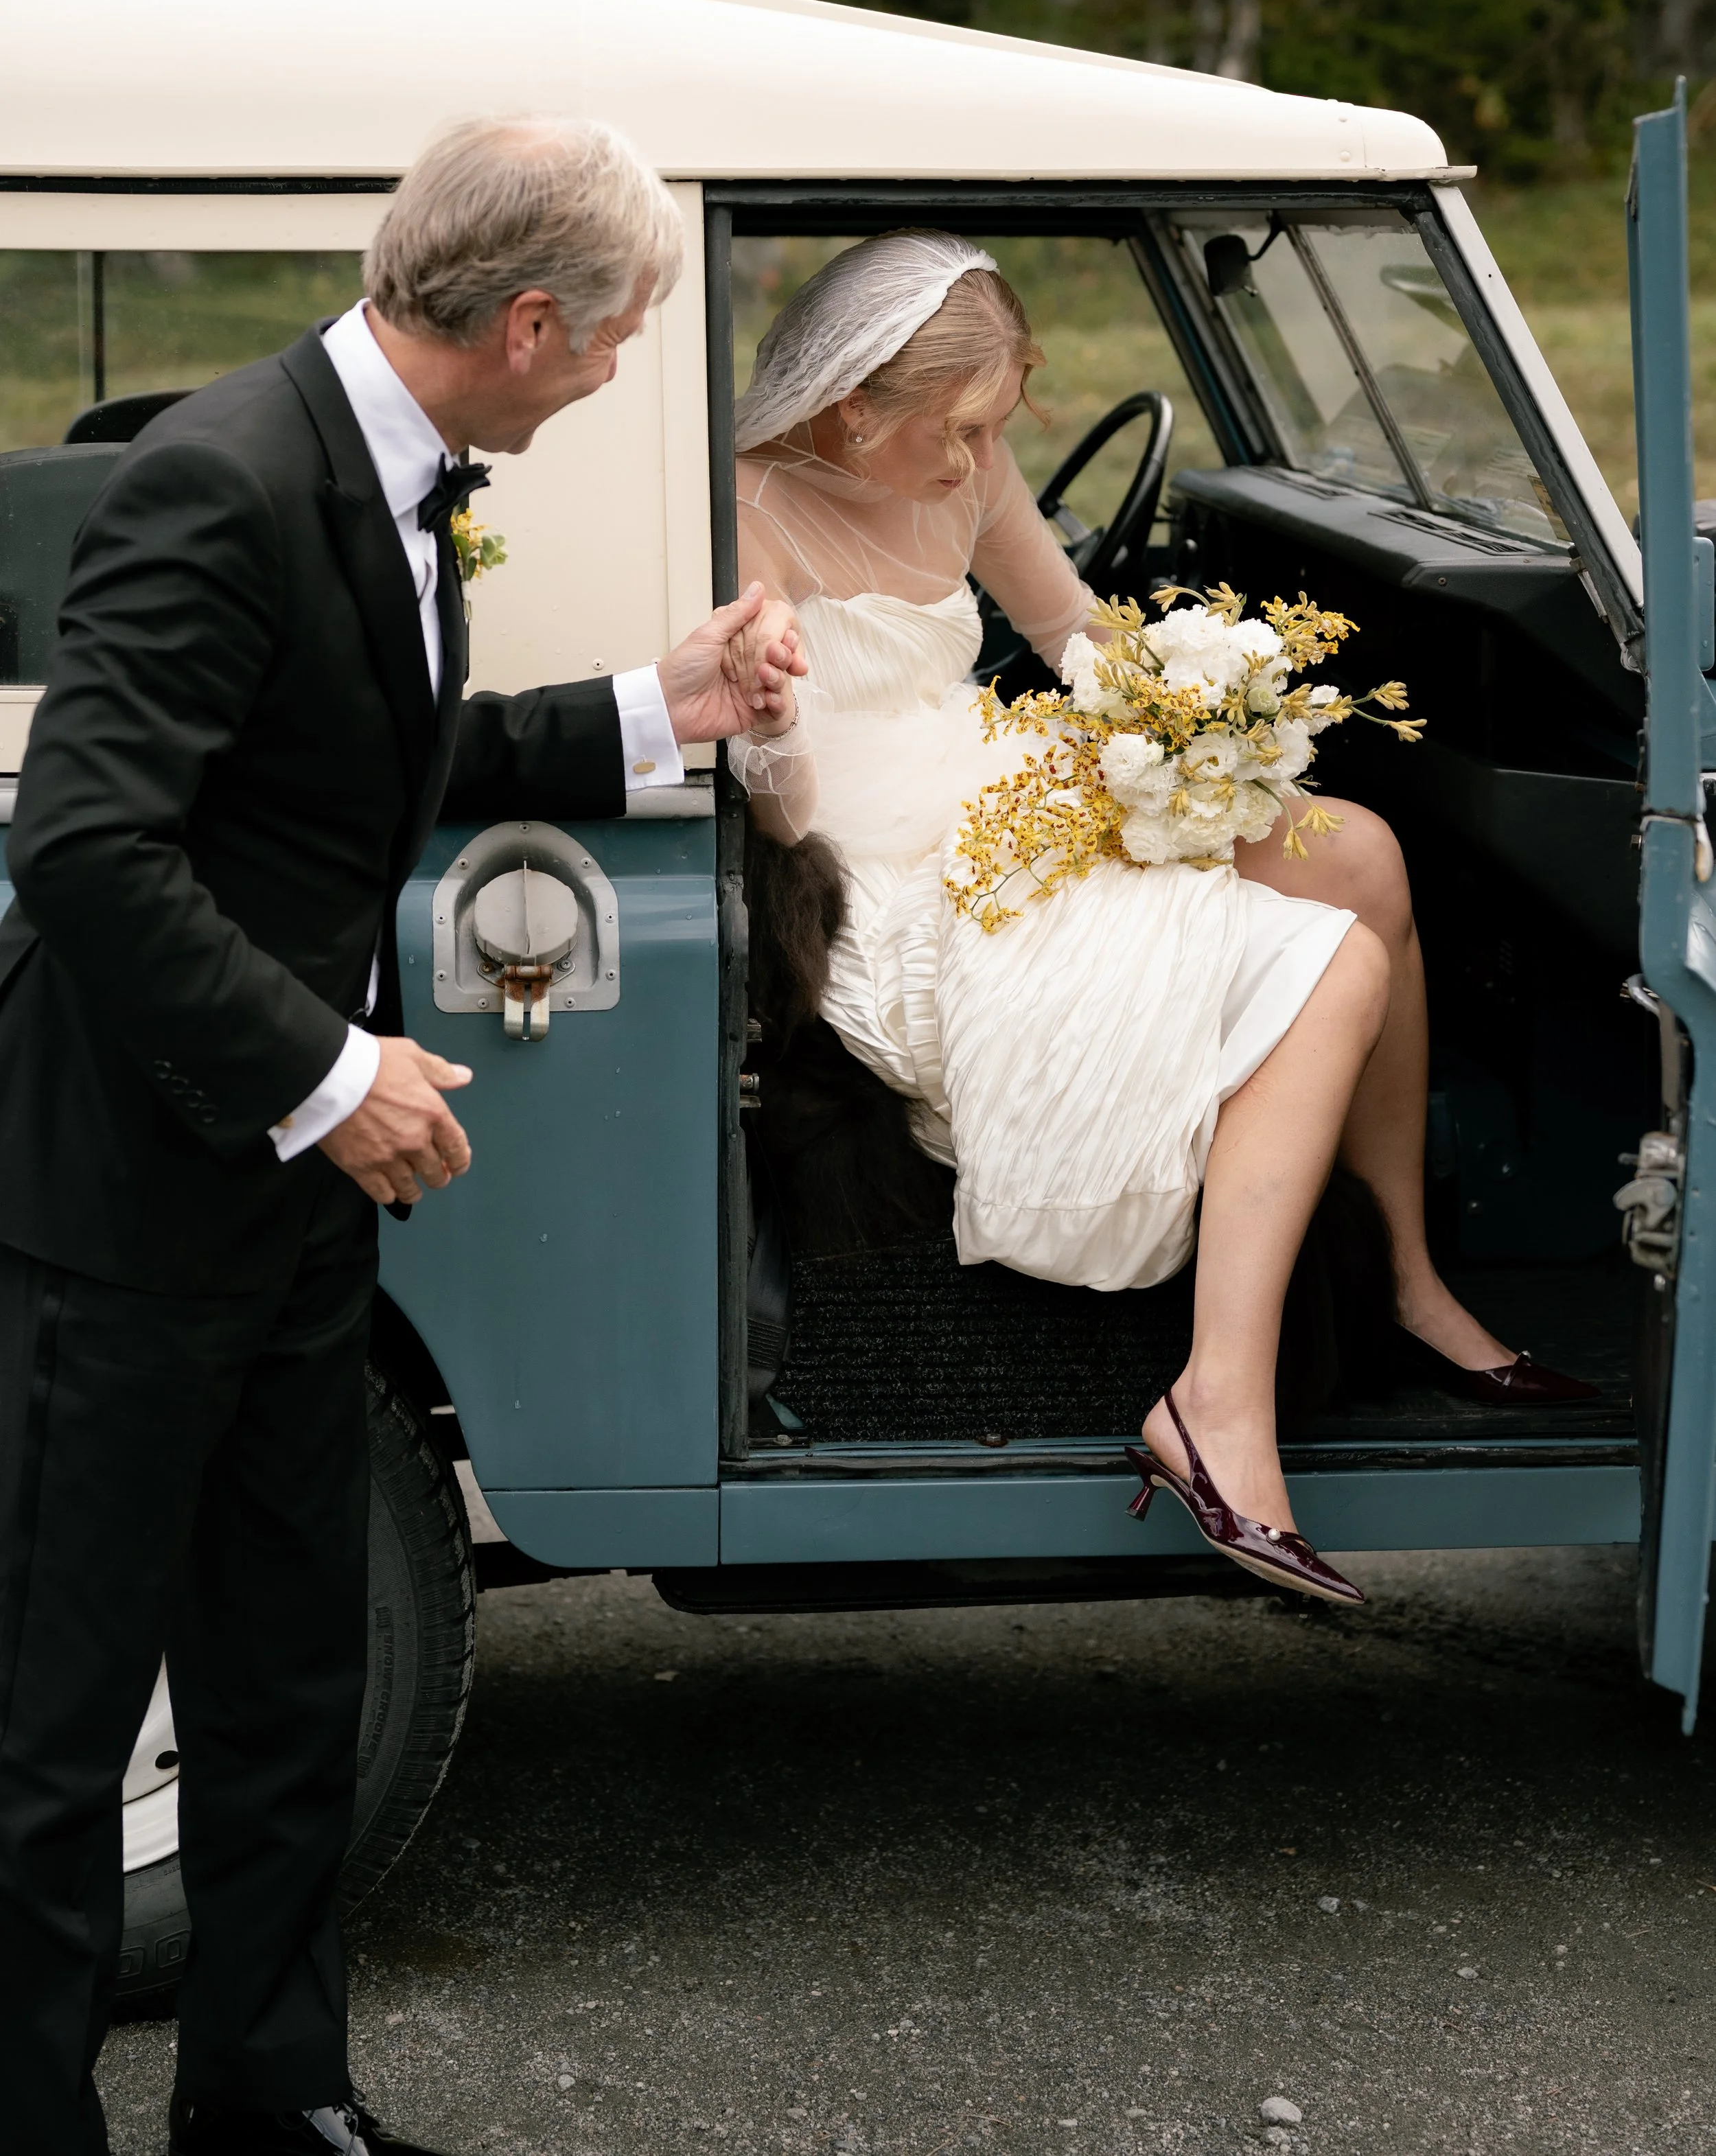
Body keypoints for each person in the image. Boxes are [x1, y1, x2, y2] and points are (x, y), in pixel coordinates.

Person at [0, 116, 804, 2156]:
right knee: (49, 1726)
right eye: (618, 334)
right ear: (527, 321)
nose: (624, 366)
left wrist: (657, 705)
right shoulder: (223, 473)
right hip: (114, 1207)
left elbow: (371, 745)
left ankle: (274, 2102)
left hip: (284, 1210)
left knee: (288, 1689)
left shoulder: (388, 462)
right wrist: (326, 1068)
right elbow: (85, 843)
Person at [727, 231, 1595, 1606]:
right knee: (1328, 961)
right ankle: (1217, 1397)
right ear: (849, 411)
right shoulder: (741, 512)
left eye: (994, 428)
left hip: (1005, 772)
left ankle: (1409, 1278)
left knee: (1358, 859)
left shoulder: (968, 467)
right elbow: (776, 813)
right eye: (953, 433)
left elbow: (1068, 627)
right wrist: (766, 723)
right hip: (886, 855)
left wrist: (1197, 713)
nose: (972, 463)